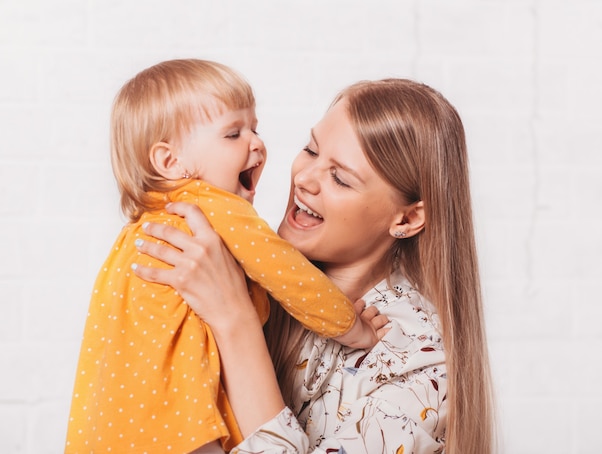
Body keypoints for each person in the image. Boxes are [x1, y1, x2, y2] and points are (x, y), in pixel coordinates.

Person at [133, 78, 495, 453]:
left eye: (340, 178)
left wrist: (234, 322)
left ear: (407, 219)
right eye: (310, 150)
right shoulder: (230, 276)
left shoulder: (422, 369)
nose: (303, 179)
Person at [65, 59, 381, 454]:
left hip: (114, 427)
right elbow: (287, 272)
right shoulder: (211, 206)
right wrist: (351, 326)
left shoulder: (136, 234)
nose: (256, 143)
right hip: (182, 426)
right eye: (233, 134)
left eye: (255, 128)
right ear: (170, 162)